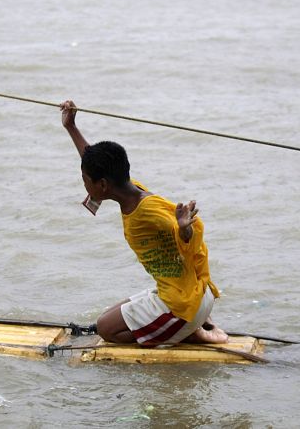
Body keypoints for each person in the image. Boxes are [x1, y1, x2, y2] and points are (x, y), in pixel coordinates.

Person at [60, 100, 228, 346]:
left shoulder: (144, 211)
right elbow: (93, 162)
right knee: (107, 317)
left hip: (184, 308)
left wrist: (184, 229)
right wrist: (71, 127)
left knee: (107, 330)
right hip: (188, 293)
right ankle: (194, 324)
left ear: (103, 185)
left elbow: (185, 236)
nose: (84, 184)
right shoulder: (129, 188)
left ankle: (190, 332)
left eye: (85, 180)